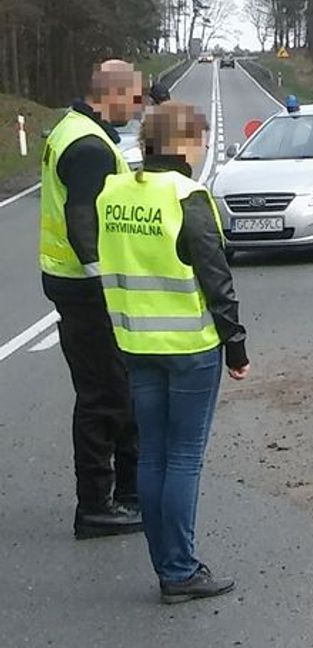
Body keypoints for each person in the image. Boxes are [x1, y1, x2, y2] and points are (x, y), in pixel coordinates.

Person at [95, 100, 250, 604]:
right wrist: (236, 346)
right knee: (184, 459)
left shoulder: (115, 192)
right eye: (199, 139)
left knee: (153, 456)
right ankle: (180, 571)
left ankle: (168, 567)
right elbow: (215, 278)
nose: (202, 147)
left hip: (134, 342)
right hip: (189, 345)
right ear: (181, 144)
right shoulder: (187, 196)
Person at [40, 59, 143, 538]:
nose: (139, 107)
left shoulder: (73, 129)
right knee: (105, 394)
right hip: (87, 288)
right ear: (112, 94)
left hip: (68, 280)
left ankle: (125, 494)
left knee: (110, 389)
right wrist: (106, 282)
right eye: (135, 98)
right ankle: (97, 506)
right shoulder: (89, 146)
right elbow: (84, 219)